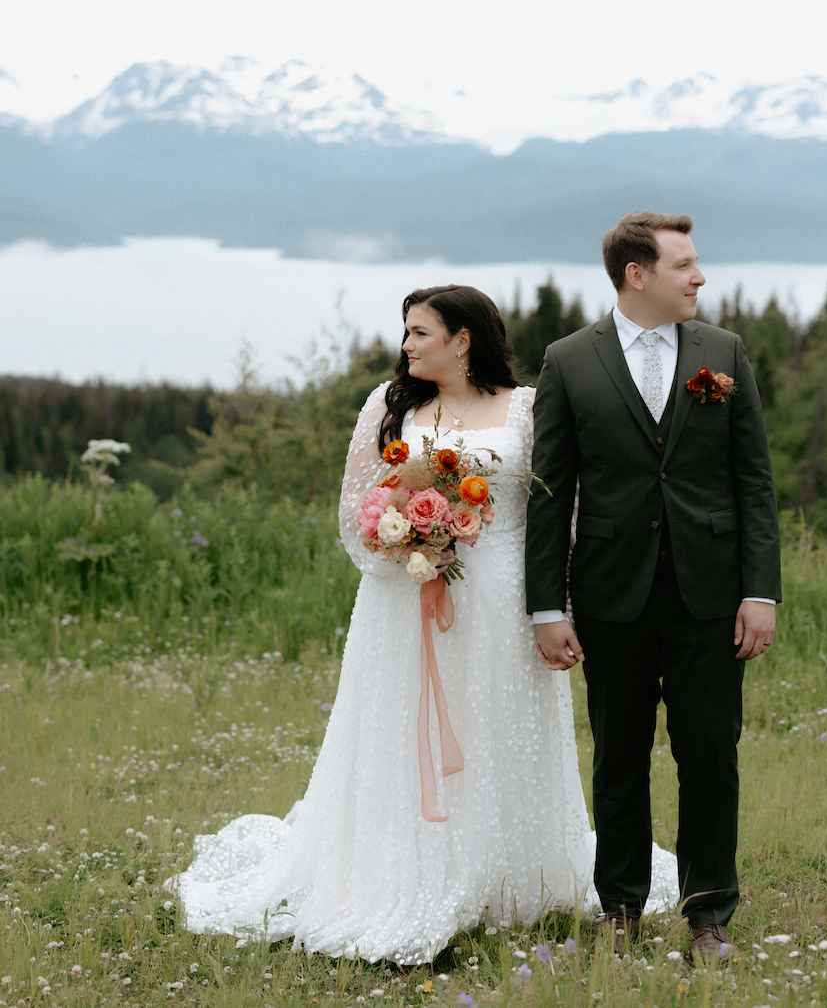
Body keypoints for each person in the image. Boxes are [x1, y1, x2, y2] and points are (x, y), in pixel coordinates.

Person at [173, 283, 678, 964]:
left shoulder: (525, 408)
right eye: (405, 332)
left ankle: (506, 873)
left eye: (418, 332)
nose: (405, 344)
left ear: (461, 339)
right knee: (399, 727)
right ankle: (406, 871)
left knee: (498, 725)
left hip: (501, 595)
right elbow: (359, 507)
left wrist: (553, 602)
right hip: (402, 598)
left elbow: (559, 512)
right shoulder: (388, 407)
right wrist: (400, 536)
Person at [525, 213, 781, 962]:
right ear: (636, 274)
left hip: (710, 595)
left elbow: (752, 482)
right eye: (684, 264)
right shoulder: (569, 361)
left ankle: (708, 915)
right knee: (618, 757)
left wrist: (758, 591)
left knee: (710, 754)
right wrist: (548, 606)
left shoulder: (721, 352)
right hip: (610, 595)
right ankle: (621, 910)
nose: (698, 276)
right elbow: (549, 492)